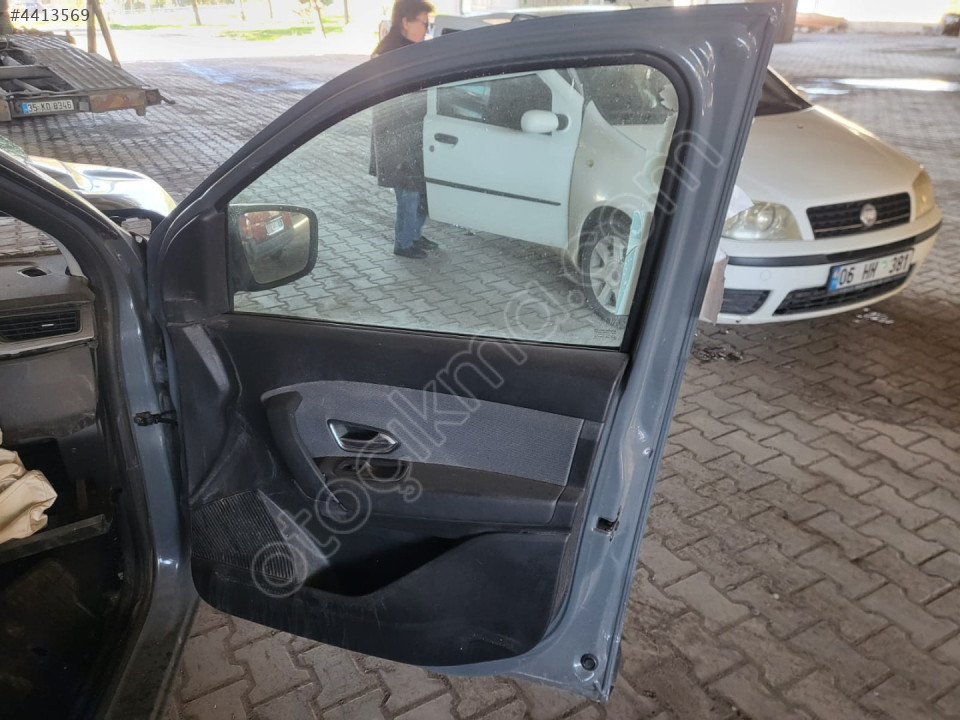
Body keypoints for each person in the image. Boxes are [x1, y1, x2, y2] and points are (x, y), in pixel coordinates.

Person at [369, 0, 438, 259]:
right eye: (423, 24)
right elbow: (402, 100)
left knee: (418, 190)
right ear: (406, 22)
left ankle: (414, 234)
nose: (426, 30)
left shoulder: (404, 50)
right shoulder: (393, 54)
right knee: (409, 192)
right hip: (397, 136)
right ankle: (404, 243)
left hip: (408, 134)